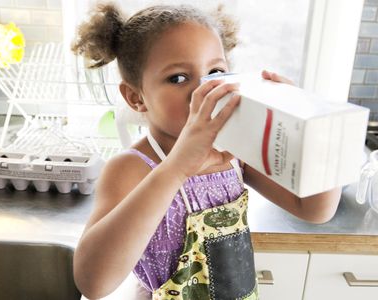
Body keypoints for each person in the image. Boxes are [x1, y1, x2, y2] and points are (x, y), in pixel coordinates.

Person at [71, 2, 342, 300]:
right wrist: (176, 168)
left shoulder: (234, 152)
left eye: (215, 71)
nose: (204, 91)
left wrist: (312, 132)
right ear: (136, 97)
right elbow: (93, 283)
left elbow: (316, 209)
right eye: (178, 78)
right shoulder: (131, 168)